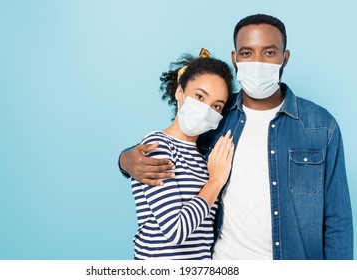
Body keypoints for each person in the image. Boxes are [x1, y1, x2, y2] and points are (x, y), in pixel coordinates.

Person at [119, 14, 353, 260]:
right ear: (235, 58)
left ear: (285, 58)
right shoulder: (217, 117)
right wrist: (125, 159)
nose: (258, 62)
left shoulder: (320, 125)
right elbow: (175, 140)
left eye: (270, 53)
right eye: (247, 53)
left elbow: (338, 220)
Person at [130, 48, 235, 259]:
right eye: (199, 96)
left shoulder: (203, 156)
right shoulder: (156, 146)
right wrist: (215, 181)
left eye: (216, 106)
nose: (206, 110)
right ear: (179, 92)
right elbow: (176, 230)